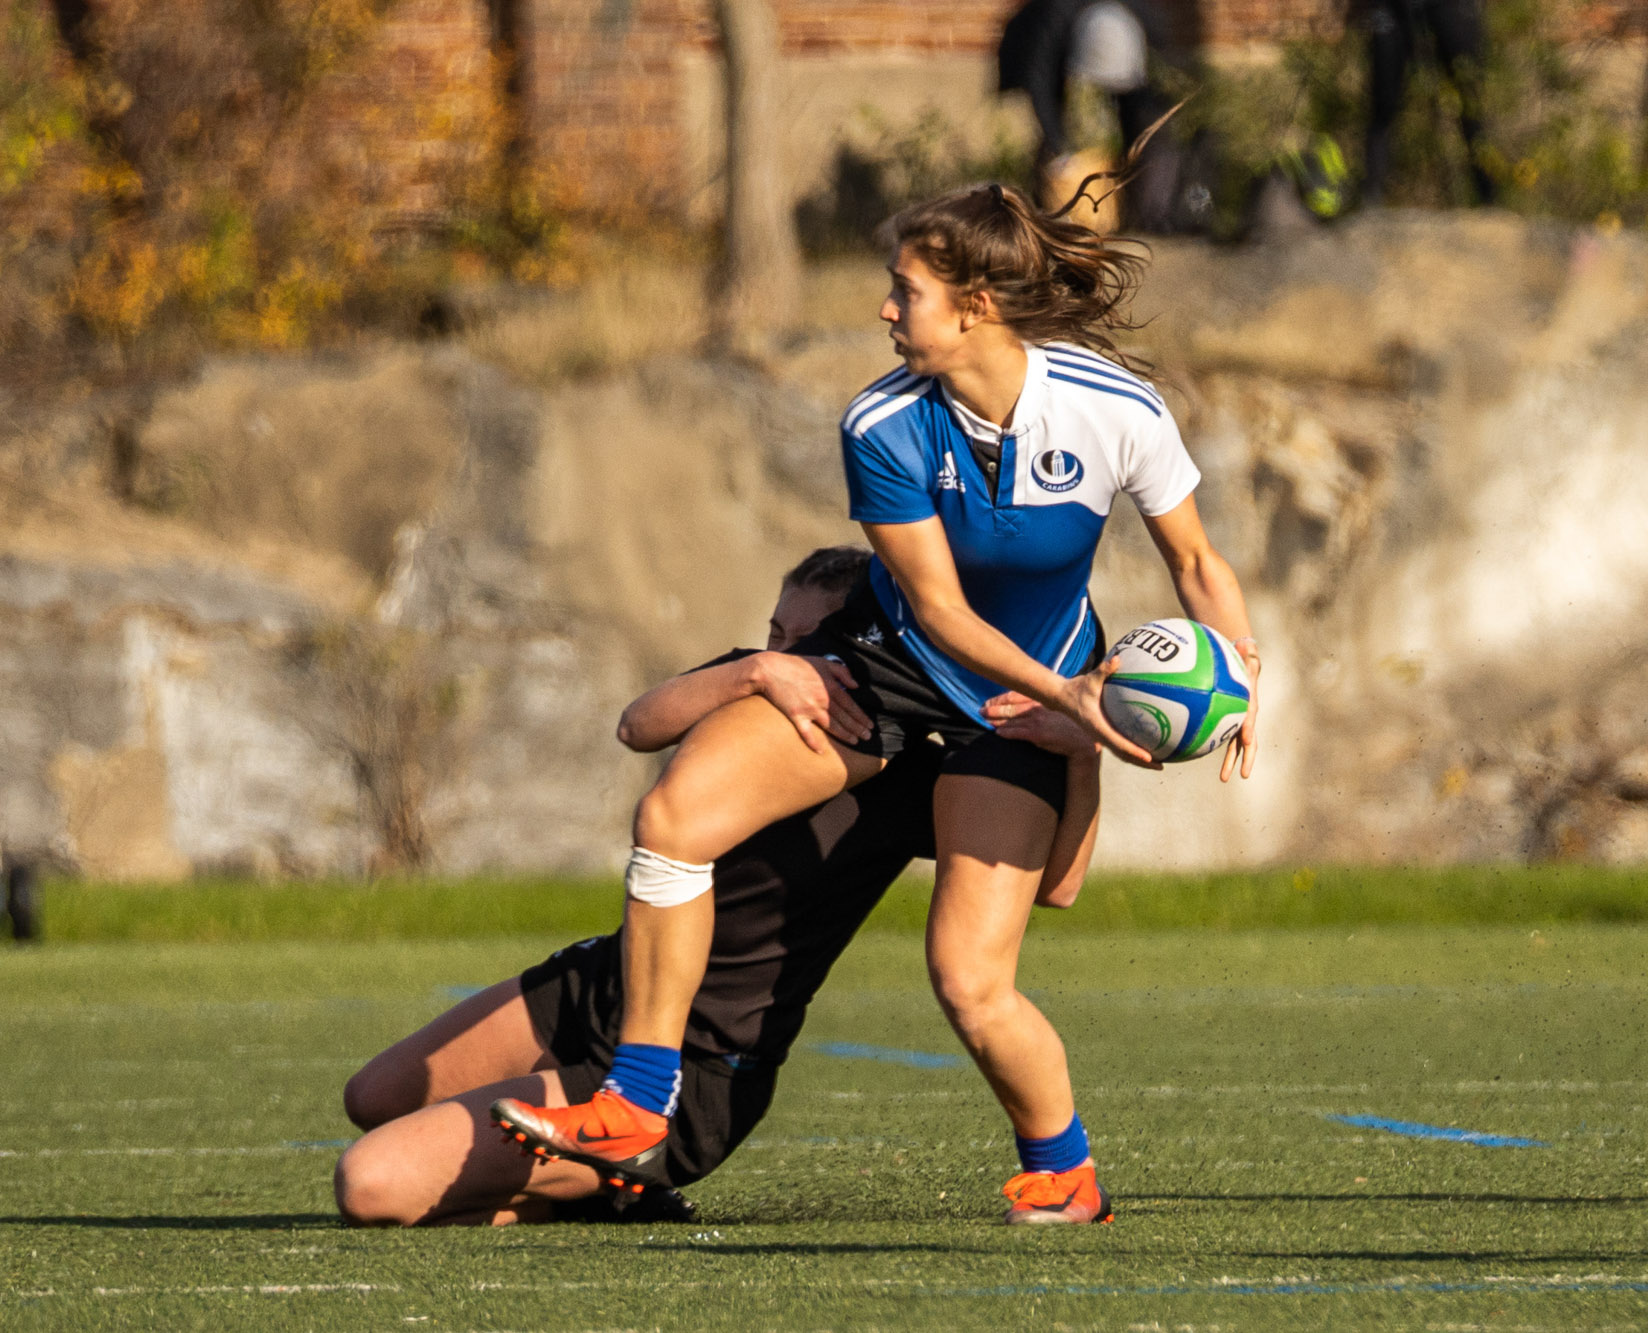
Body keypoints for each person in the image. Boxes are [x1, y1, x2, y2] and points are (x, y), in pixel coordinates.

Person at [495, 178, 1260, 1228]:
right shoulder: (881, 421)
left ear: (975, 306)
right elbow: (940, 612)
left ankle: (1063, 1169)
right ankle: (634, 1099)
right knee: (673, 820)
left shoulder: (1112, 408)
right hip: (899, 666)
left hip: (1025, 702)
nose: (885, 309)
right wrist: (1077, 699)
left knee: (967, 981)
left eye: (903, 290)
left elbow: (1196, 559)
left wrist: (1239, 671)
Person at [333, 547, 1102, 1226]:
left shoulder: (907, 769)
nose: (789, 652)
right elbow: (638, 724)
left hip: (705, 1064)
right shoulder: (751, 683)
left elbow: (1057, 885)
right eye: (777, 632)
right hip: (606, 986)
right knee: (372, 1096)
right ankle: (593, 1169)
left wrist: (1083, 757)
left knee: (371, 1184)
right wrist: (757, 669)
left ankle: (605, 1185)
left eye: (808, 638)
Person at [998, 0, 1182, 231]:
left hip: (1138, 71)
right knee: (1052, 137)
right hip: (1036, 57)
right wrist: (1059, 148)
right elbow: (1040, 88)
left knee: (1150, 125)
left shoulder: (1147, 22)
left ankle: (1151, 216)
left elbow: (1157, 102)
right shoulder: (1050, 22)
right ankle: (1047, 213)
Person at [1362, 0, 1497, 206]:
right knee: (1383, 105)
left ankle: (1490, 200)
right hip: (1391, 8)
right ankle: (1372, 201)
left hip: (1450, 7)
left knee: (1471, 99)